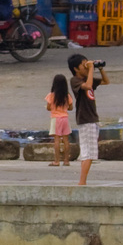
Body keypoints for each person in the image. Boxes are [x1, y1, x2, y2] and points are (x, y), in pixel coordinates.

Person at [69, 52, 108, 185]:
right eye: (83, 65)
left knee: (89, 152)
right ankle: (82, 182)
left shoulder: (87, 78)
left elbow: (106, 81)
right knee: (88, 153)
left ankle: (82, 181)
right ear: (76, 69)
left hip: (92, 118)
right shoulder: (75, 80)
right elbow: (88, 87)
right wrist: (91, 69)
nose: (86, 67)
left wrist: (100, 68)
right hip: (85, 119)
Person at [46, 73, 73, 168]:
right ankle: (66, 160)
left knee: (56, 140)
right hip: (65, 118)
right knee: (66, 140)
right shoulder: (67, 96)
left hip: (55, 118)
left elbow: (48, 107)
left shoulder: (51, 95)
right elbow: (71, 107)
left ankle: (56, 161)